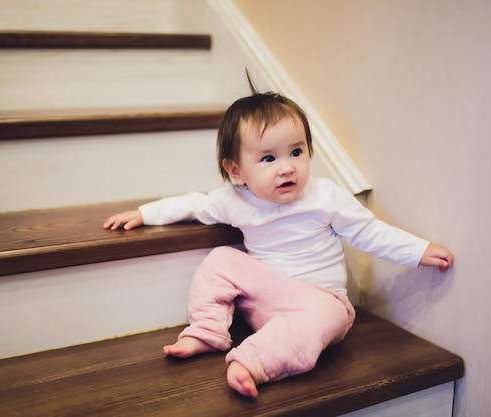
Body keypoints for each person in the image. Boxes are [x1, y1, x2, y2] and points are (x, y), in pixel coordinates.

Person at [103, 89, 453, 398]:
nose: (286, 168)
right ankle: (207, 331)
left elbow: (369, 232)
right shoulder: (234, 200)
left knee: (328, 314)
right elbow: (193, 204)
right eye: (269, 158)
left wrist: (418, 250)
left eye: (296, 152)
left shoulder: (325, 196)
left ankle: (254, 362)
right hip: (264, 302)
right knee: (222, 258)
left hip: (320, 302)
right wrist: (145, 213)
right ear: (237, 171)